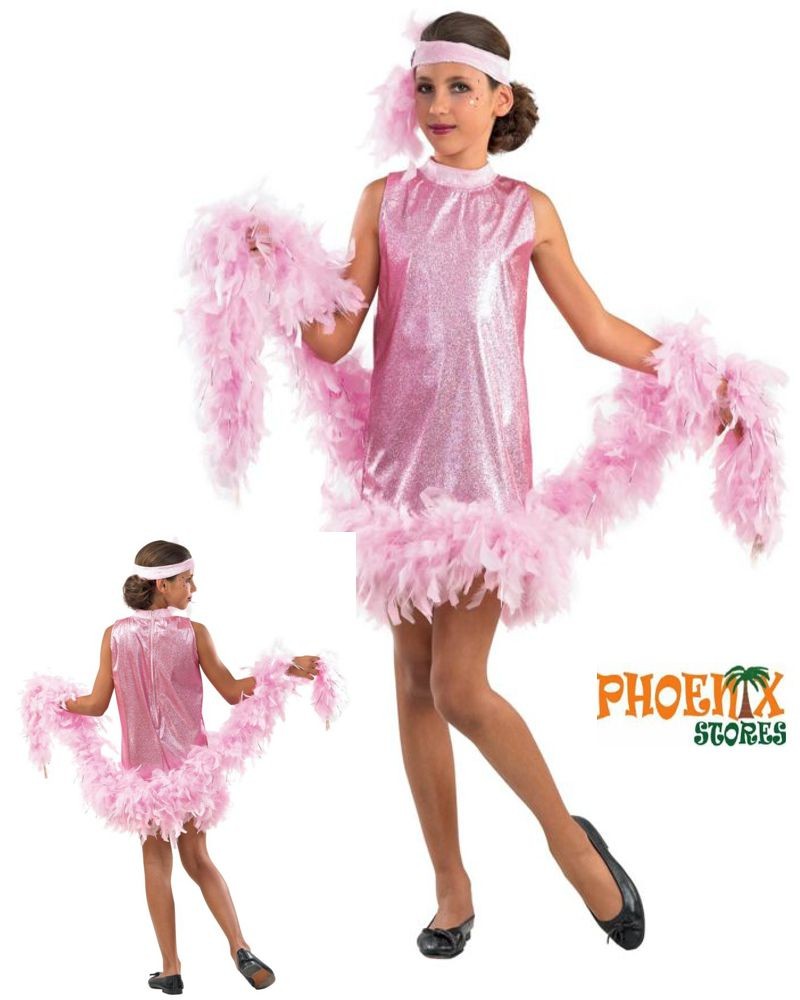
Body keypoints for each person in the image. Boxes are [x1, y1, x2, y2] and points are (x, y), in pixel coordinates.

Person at [186, 10, 784, 959]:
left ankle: (570, 844)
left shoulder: (523, 209)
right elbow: (336, 337)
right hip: (396, 479)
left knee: (462, 687)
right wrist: (277, 276)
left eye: (460, 87)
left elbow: (595, 326)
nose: (439, 105)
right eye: (425, 87)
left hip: (483, 483)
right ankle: (451, 886)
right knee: (414, 685)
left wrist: (702, 380)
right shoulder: (384, 200)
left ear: (500, 99)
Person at [56, 539, 323, 992]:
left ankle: (171, 967)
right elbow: (234, 691)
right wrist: (286, 669)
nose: (193, 589)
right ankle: (240, 947)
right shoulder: (193, 633)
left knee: (155, 864)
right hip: (191, 774)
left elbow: (96, 704)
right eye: (187, 580)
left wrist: (54, 700)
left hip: (141, 779)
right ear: (162, 585)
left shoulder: (114, 636)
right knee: (198, 860)